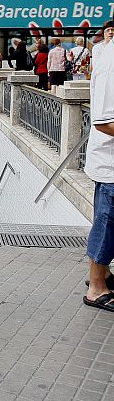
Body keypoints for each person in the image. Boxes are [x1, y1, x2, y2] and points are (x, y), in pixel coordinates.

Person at [83, 20, 114, 313]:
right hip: (110, 163)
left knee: (106, 222)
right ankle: (96, 287)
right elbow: (104, 121)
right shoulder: (110, 60)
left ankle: (100, 275)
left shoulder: (106, 54)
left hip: (107, 162)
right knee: (107, 224)